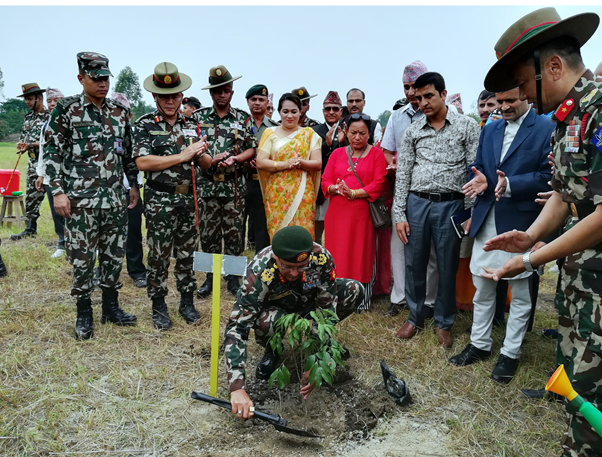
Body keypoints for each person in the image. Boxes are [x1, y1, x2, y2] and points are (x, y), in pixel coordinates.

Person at [481, 7, 602, 456]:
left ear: (552, 66)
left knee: (595, 400)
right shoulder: (566, 119)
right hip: (581, 284)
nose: (524, 95)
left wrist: (533, 259)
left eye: (525, 85)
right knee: (579, 388)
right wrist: (530, 236)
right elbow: (565, 196)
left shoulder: (598, 113)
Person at [449, 87, 554, 383]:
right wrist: (479, 180)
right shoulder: (491, 129)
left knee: (519, 293)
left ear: (527, 97)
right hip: (487, 218)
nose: (504, 107)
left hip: (522, 222)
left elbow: (549, 177)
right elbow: (480, 169)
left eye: (511, 101)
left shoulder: (546, 127)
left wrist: (509, 185)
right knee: (482, 285)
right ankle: (480, 344)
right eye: (501, 101)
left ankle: (510, 353)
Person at [44, 52, 139, 340]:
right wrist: (58, 192)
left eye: (106, 78)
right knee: (83, 259)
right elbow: (52, 153)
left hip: (113, 199)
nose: (102, 83)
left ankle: (111, 307)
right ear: (81, 78)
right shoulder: (66, 109)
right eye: (96, 78)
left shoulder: (119, 113)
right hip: (80, 202)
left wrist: (132, 184)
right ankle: (83, 311)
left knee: (113, 255)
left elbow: (128, 155)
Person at [223, 226, 365, 419]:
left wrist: (317, 359)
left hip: (308, 305)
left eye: (301, 267)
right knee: (267, 322)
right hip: (277, 311)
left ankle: (323, 345)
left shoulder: (321, 258)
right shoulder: (259, 271)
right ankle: (273, 349)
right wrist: (237, 387)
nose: (294, 273)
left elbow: (326, 309)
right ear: (276, 259)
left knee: (353, 290)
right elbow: (237, 327)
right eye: (287, 267)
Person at [394, 72, 480, 348]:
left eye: (429, 95)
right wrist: (399, 215)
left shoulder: (466, 126)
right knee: (414, 262)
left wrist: (469, 213)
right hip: (417, 203)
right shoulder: (412, 131)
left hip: (451, 204)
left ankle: (444, 322)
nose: (423, 102)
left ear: (443, 94)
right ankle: (415, 316)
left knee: (447, 264)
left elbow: (473, 172)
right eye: (418, 97)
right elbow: (403, 174)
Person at [134, 62, 211, 330]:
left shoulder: (192, 123)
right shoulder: (144, 124)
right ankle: (159, 305)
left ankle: (186, 301)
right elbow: (142, 162)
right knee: (159, 254)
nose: (170, 101)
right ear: (155, 96)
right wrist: (183, 155)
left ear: (182, 97)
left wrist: (206, 156)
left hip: (189, 199)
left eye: (175, 96)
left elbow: (203, 163)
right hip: (160, 201)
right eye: (164, 96)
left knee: (187, 253)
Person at [194, 65, 258, 298]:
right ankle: (209, 279)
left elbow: (252, 148)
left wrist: (235, 158)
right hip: (207, 187)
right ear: (212, 93)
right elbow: (192, 148)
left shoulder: (243, 118)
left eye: (227, 91)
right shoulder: (198, 118)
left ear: (232, 92)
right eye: (218, 91)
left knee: (234, 236)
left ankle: (233, 279)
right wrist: (210, 161)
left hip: (234, 188)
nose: (222, 95)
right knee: (208, 236)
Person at [381, 60, 438, 317]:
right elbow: (387, 151)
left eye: (415, 86)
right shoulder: (397, 117)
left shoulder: (437, 114)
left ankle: (428, 301)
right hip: (403, 190)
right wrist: (393, 166)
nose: (411, 92)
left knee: (431, 249)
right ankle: (399, 297)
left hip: (432, 192)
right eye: (406, 87)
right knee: (399, 245)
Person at [322, 113, 387, 312]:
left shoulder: (376, 154)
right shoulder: (337, 154)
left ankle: (360, 301)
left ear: (369, 134)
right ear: (345, 132)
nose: (357, 137)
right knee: (337, 253)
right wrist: (335, 189)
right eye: (353, 132)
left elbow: (379, 183)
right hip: (337, 213)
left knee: (362, 254)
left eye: (362, 133)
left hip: (363, 214)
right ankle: (336, 299)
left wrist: (355, 193)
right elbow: (325, 180)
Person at [256, 93, 322, 240]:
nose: (289, 116)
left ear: (301, 112)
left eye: (294, 111)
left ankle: (302, 262)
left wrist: (301, 163)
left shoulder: (309, 134)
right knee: (278, 235)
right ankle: (279, 262)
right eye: (285, 111)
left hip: (303, 193)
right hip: (277, 193)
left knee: (302, 235)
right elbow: (260, 162)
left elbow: (317, 163)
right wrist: (284, 164)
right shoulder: (270, 133)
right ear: (279, 112)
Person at [111, 91, 147, 289]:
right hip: (106, 192)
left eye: (123, 112)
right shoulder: (103, 132)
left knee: (133, 233)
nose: (119, 115)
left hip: (129, 189)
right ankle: (107, 271)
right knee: (107, 234)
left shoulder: (135, 134)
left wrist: (134, 185)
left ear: (130, 115)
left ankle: (137, 271)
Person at [11, 83, 50, 241]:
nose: (27, 102)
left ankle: (65, 233)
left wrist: (30, 145)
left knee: (57, 196)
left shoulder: (50, 117)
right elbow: (24, 137)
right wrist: (22, 145)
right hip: (32, 162)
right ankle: (30, 228)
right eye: (25, 99)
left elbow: (50, 140)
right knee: (32, 197)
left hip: (48, 162)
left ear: (39, 99)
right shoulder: (28, 118)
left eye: (29, 99)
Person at [244, 84, 278, 254]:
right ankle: (235, 272)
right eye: (253, 99)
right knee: (237, 227)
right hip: (241, 181)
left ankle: (261, 265)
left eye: (261, 100)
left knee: (262, 229)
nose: (257, 103)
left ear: (267, 103)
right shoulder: (239, 123)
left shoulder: (275, 128)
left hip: (263, 184)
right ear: (247, 102)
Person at [311, 91, 347, 242]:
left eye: (335, 108)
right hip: (321, 189)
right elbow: (312, 157)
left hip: (343, 187)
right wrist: (327, 144)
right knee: (317, 231)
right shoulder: (314, 131)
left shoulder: (349, 128)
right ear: (323, 111)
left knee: (340, 231)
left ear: (341, 111)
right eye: (328, 109)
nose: (331, 112)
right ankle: (316, 262)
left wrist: (342, 142)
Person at [35, 88, 66, 258]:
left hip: (67, 175)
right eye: (49, 101)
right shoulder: (46, 124)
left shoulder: (70, 120)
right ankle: (62, 243)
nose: (52, 104)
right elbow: (42, 150)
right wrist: (40, 174)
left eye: (56, 100)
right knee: (56, 213)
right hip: (49, 176)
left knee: (72, 211)